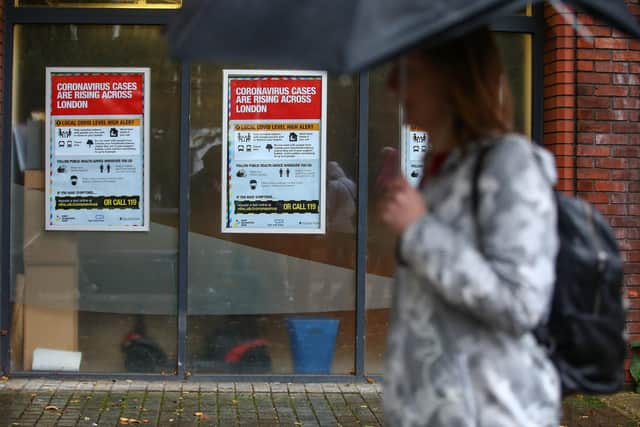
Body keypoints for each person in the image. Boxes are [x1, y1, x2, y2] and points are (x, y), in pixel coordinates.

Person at [378, 27, 561, 426]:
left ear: (454, 76)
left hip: (492, 412)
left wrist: (420, 229)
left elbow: (521, 303)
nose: (392, 85)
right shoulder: (441, 172)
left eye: (410, 72)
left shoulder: (511, 164)